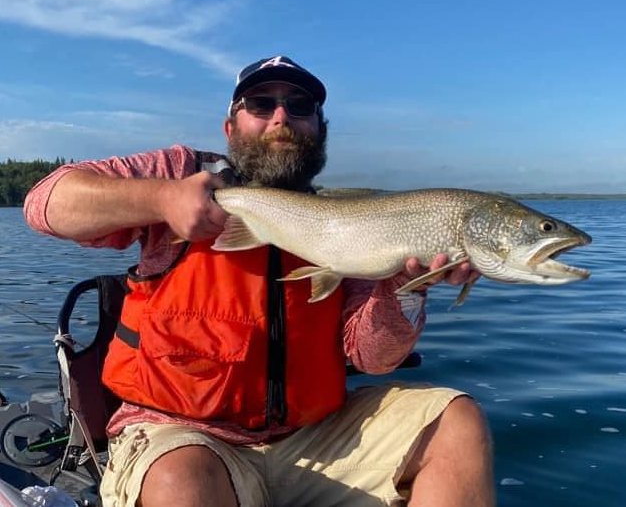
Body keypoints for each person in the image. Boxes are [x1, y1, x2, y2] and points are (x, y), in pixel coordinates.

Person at [24, 55, 494, 507]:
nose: (281, 117)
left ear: (320, 130)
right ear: (231, 127)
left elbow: (372, 358)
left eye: (300, 106)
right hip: (179, 432)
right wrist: (162, 198)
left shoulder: (347, 221)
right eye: (261, 104)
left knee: (457, 424)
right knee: (181, 479)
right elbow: (46, 204)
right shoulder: (181, 173)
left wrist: (407, 288)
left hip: (313, 437)